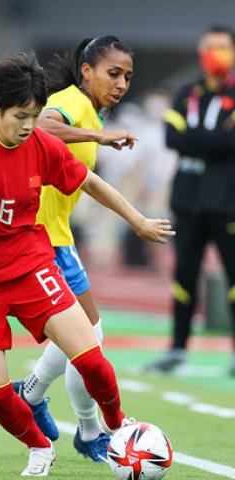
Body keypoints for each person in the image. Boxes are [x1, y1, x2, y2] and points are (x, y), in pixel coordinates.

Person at [0, 51, 174, 476]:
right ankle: (38, 447)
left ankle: (118, 428)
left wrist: (138, 219)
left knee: (91, 355)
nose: (28, 126)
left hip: (30, 265)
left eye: (34, 115)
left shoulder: (39, 143)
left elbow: (88, 181)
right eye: (19, 116)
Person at [11, 36, 138, 462]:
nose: (121, 84)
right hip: (41, 237)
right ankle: (87, 430)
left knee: (80, 336)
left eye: (127, 77)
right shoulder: (71, 102)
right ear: (87, 71)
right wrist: (96, 138)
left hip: (56, 235)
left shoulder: (93, 114)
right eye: (113, 73)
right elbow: (42, 125)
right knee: (88, 337)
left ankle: (32, 396)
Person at [147, 25, 235, 377]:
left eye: (222, 47)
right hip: (187, 202)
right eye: (209, 47)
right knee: (183, 277)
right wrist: (214, 139)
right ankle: (177, 350)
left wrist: (196, 139)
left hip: (227, 202)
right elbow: (172, 138)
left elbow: (228, 143)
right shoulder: (185, 93)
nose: (215, 53)